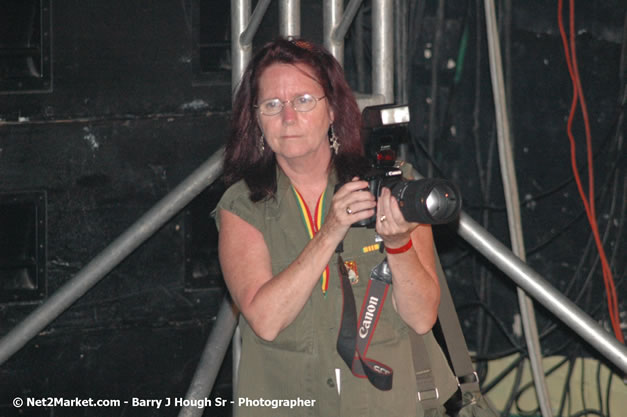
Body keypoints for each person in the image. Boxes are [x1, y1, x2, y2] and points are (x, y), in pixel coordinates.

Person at [215, 38, 445, 417]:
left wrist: (399, 243)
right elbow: (266, 321)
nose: (289, 118)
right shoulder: (243, 205)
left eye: (304, 101)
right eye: (272, 105)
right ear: (255, 118)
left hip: (386, 404)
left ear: (334, 109)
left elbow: (422, 317)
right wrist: (331, 230)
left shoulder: (392, 185)